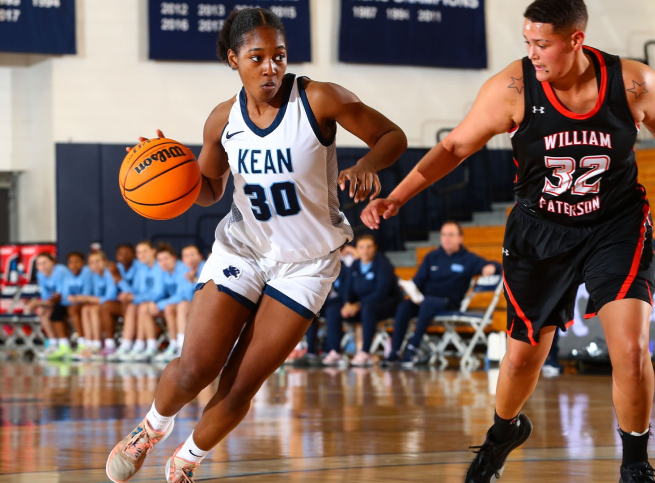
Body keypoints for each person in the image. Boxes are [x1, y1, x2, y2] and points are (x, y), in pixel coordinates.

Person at [105, 7, 407, 483]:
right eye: (258, 56)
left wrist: (368, 163)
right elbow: (207, 188)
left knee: (241, 384)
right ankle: (150, 428)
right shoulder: (223, 119)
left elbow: (393, 135)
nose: (271, 67)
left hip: (307, 262)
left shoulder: (320, 99)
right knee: (194, 369)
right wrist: (171, 173)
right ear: (234, 59)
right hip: (243, 249)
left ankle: (187, 460)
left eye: (279, 56)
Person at [361, 1, 655, 480]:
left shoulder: (633, 82)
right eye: (527, 43)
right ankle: (503, 433)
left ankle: (636, 463)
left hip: (615, 225)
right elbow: (455, 146)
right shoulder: (513, 87)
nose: (532, 54)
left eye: (542, 44)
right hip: (540, 232)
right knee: (521, 360)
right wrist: (397, 197)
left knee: (629, 349)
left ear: (576, 40)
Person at [383, 221, 499, 369]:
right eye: (443, 235)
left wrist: (492, 266)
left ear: (460, 238)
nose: (446, 238)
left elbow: (495, 265)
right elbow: (417, 281)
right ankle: (394, 351)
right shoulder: (432, 256)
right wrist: (411, 291)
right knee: (404, 306)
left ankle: (412, 350)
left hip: (449, 302)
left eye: (451, 235)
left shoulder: (469, 259)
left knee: (428, 303)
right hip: (425, 301)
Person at [336, 234, 402, 367]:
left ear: (375, 248)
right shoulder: (355, 265)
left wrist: (358, 305)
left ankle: (365, 351)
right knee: (333, 308)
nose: (365, 251)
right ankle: (332, 351)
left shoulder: (384, 265)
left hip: (387, 304)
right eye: (361, 247)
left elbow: (382, 292)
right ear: (357, 249)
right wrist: (347, 303)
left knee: (368, 309)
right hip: (362, 306)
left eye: (369, 247)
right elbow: (348, 287)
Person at [113, 241, 163, 362]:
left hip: (161, 302)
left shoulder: (160, 267)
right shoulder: (142, 269)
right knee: (132, 306)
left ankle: (150, 346)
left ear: (153, 251)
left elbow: (159, 293)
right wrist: (127, 295)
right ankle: (128, 344)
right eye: (139, 252)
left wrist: (134, 297)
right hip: (146, 302)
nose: (141, 255)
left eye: (145, 251)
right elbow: (136, 291)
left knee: (141, 306)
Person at [25, 252, 71, 360]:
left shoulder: (60, 271)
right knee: (42, 311)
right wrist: (42, 304)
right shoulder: (40, 275)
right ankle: (53, 343)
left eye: (45, 263)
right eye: (39, 264)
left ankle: (64, 345)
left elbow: (60, 296)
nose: (42, 267)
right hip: (56, 302)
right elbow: (47, 297)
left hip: (69, 301)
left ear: (53, 262)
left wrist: (36, 303)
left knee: (55, 311)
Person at [75, 251, 119, 360]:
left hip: (114, 304)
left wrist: (89, 298)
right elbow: (87, 294)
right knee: (85, 308)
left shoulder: (110, 273)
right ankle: (89, 343)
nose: (95, 265)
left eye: (98, 261)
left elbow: (111, 296)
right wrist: (88, 298)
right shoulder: (92, 275)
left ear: (105, 261)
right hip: (100, 304)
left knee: (94, 309)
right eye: (92, 263)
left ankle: (97, 343)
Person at [153, 243, 190, 363]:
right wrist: (152, 303)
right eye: (160, 260)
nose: (163, 262)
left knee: (175, 307)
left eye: (166, 258)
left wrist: (159, 305)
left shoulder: (182, 269)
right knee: (166, 308)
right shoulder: (164, 272)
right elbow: (159, 293)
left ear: (174, 257)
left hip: (192, 303)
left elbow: (181, 295)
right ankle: (173, 345)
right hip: (177, 305)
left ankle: (182, 346)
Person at [62, 252, 93, 360]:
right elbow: (65, 296)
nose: (74, 265)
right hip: (76, 305)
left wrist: (76, 299)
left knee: (82, 309)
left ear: (83, 263)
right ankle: (63, 345)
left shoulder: (87, 272)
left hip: (90, 303)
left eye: (77, 262)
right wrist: (75, 299)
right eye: (71, 263)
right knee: (63, 310)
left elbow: (87, 294)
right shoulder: (67, 275)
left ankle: (87, 344)